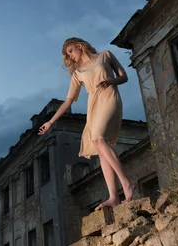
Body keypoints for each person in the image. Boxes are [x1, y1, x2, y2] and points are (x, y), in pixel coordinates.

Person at [38, 37, 133, 210]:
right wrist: (50, 122)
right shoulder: (77, 73)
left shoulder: (105, 55)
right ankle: (113, 196)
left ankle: (126, 183)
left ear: (79, 46)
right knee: (99, 145)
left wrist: (110, 81)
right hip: (93, 105)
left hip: (110, 97)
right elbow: (68, 101)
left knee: (98, 138)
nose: (70, 56)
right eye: (68, 55)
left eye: (70, 51)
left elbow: (124, 77)